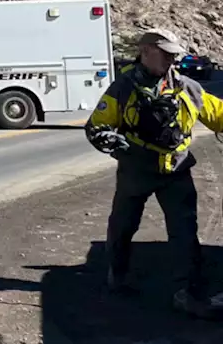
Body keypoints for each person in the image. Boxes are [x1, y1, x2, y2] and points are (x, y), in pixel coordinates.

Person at [85, 27, 223, 318]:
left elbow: (218, 114)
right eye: (166, 55)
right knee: (123, 225)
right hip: (136, 168)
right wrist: (104, 138)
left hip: (177, 169)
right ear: (146, 51)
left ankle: (187, 293)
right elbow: (97, 124)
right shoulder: (122, 89)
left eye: (174, 56)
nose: (172, 62)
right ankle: (118, 275)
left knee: (184, 232)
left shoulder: (188, 88)